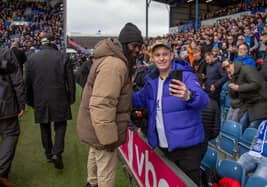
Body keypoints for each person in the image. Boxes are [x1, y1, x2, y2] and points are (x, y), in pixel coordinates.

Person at [132, 40, 209, 185]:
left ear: (172, 55)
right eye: (157, 55)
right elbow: (137, 99)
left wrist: (188, 95)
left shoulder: (186, 76)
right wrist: (121, 90)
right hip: (164, 146)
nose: (161, 58)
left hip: (188, 149)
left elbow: (203, 100)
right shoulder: (152, 81)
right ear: (152, 58)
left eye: (165, 54)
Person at [76, 22, 143, 187]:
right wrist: (108, 139)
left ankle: (91, 183)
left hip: (95, 127)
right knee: (106, 172)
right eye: (135, 45)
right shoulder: (115, 65)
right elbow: (102, 104)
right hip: (101, 130)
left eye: (140, 46)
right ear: (125, 43)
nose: (137, 50)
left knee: (94, 157)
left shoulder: (113, 60)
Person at [25, 33, 75, 169]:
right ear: (54, 42)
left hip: (40, 97)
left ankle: (49, 153)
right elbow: (71, 81)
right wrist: (71, 97)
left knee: (44, 125)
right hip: (59, 96)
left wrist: (29, 100)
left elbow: (27, 83)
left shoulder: (32, 58)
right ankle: (56, 153)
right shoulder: (62, 56)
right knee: (60, 124)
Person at [237, 99, 267, 180]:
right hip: (255, 155)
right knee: (235, 171)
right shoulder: (263, 123)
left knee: (256, 181)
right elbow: (255, 140)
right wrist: (251, 152)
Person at [222, 60, 267, 129]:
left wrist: (239, 87)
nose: (227, 70)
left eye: (228, 66)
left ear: (232, 64)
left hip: (261, 102)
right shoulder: (234, 75)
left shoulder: (246, 69)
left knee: (252, 126)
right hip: (249, 103)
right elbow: (233, 96)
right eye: (225, 69)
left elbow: (256, 84)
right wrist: (232, 80)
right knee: (239, 123)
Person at [0, 48, 25, 186]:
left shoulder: (5, 54)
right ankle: (2, 173)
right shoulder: (5, 53)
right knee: (10, 135)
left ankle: (3, 173)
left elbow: (16, 78)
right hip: (5, 105)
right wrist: (21, 103)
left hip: (5, 105)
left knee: (10, 135)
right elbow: (17, 79)